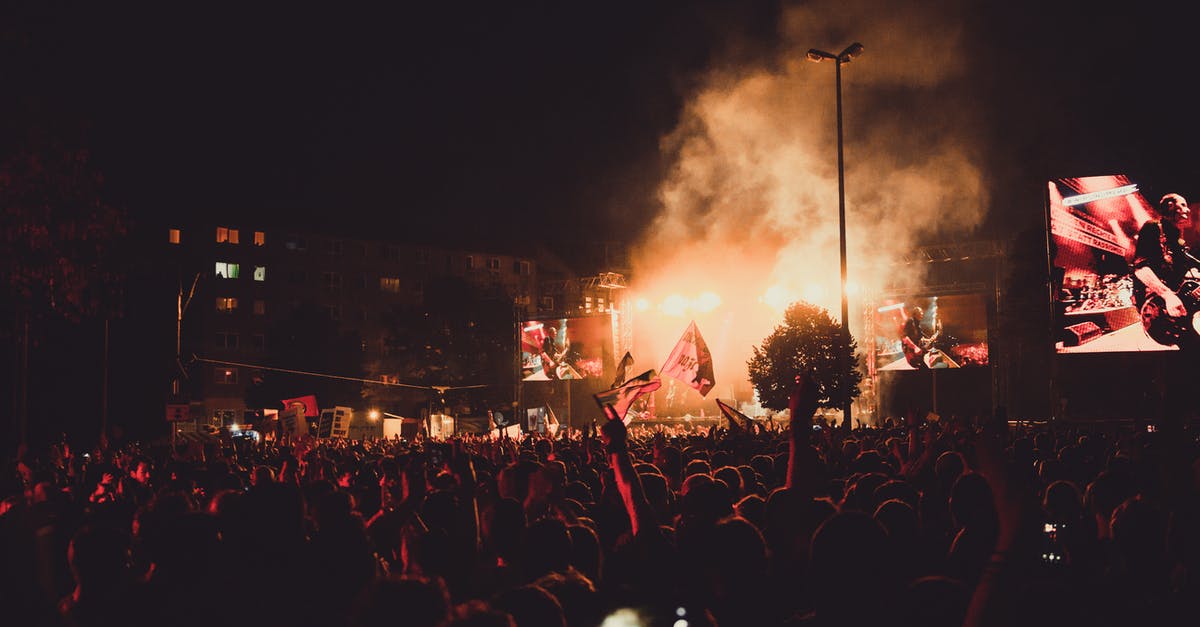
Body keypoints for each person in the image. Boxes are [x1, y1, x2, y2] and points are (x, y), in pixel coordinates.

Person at [1131, 192, 1200, 350]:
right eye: (1183, 205)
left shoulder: (1177, 239)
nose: (1188, 209)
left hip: (1181, 301)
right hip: (1160, 306)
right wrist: (1167, 295)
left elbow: (1184, 271)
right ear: (1170, 206)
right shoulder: (1152, 227)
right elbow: (1140, 268)